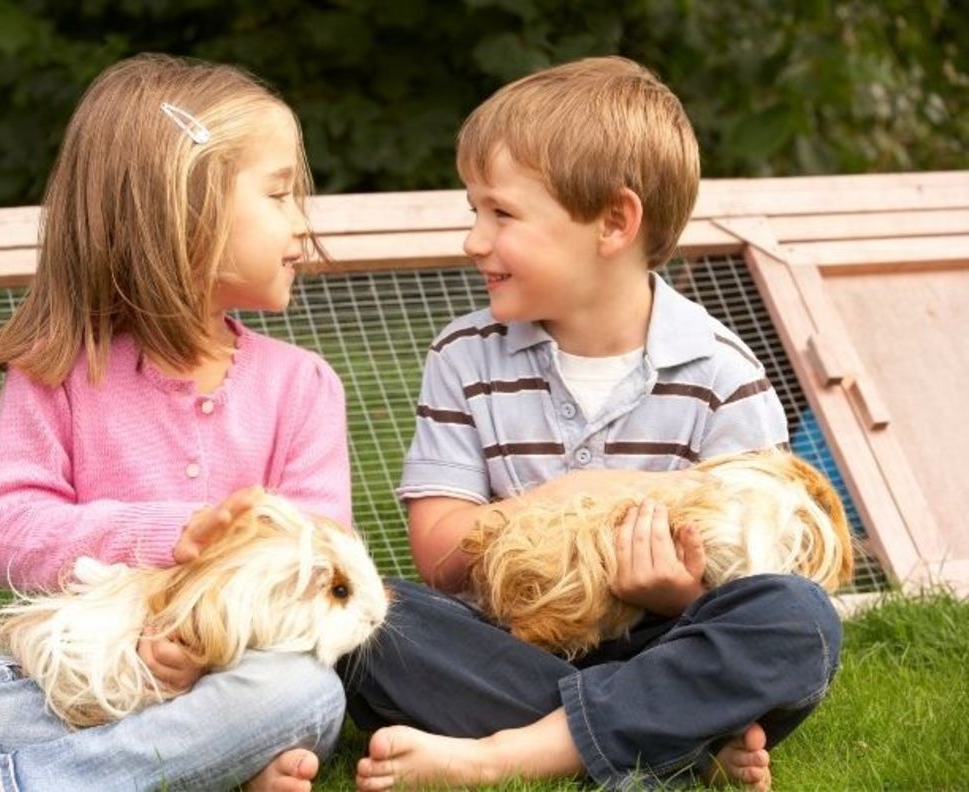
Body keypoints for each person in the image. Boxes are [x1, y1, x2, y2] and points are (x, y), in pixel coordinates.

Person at [0, 53, 351, 792]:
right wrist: (164, 537)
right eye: (279, 196)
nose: (303, 226)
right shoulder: (59, 375)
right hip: (91, 672)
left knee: (305, 694)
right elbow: (7, 532)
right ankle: (207, 764)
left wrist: (204, 646)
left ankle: (16, 783)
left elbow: (322, 572)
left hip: (233, 674)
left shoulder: (302, 384)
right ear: (185, 210)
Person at [340, 56, 841, 792]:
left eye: (501, 213)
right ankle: (665, 745)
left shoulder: (722, 373)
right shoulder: (464, 356)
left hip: (661, 647)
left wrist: (677, 596)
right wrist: (568, 495)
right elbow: (439, 557)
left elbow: (757, 575)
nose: (475, 239)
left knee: (797, 619)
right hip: (504, 648)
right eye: (473, 209)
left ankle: (506, 756)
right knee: (367, 613)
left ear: (614, 221)